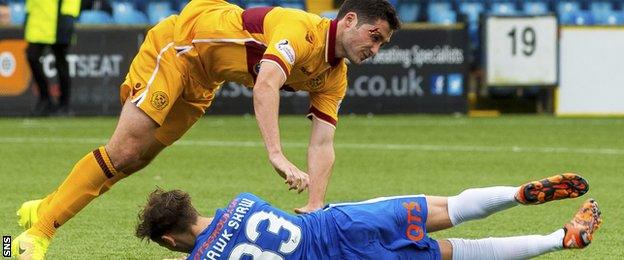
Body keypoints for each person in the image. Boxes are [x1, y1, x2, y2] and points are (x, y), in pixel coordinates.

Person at [11, 0, 401, 258]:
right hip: (181, 46)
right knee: (125, 151)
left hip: (203, 82)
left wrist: (316, 202)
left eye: (382, 43)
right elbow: (266, 83)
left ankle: (42, 208)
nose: (376, 49)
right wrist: (277, 154)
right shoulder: (302, 30)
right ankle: (37, 234)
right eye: (374, 36)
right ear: (349, 20)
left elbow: (323, 141)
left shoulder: (335, 76)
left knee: (134, 162)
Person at [127, 173, 600, 259]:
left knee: (461, 253)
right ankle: (517, 194)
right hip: (338, 224)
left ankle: (561, 239)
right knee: (450, 207)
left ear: (169, 242)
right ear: (193, 208)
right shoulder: (243, 201)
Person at [24, 0, 80, 116]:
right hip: (38, 18)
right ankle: (45, 98)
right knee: (32, 56)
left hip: (60, 17)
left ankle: (64, 105)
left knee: (61, 62)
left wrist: (68, 14)